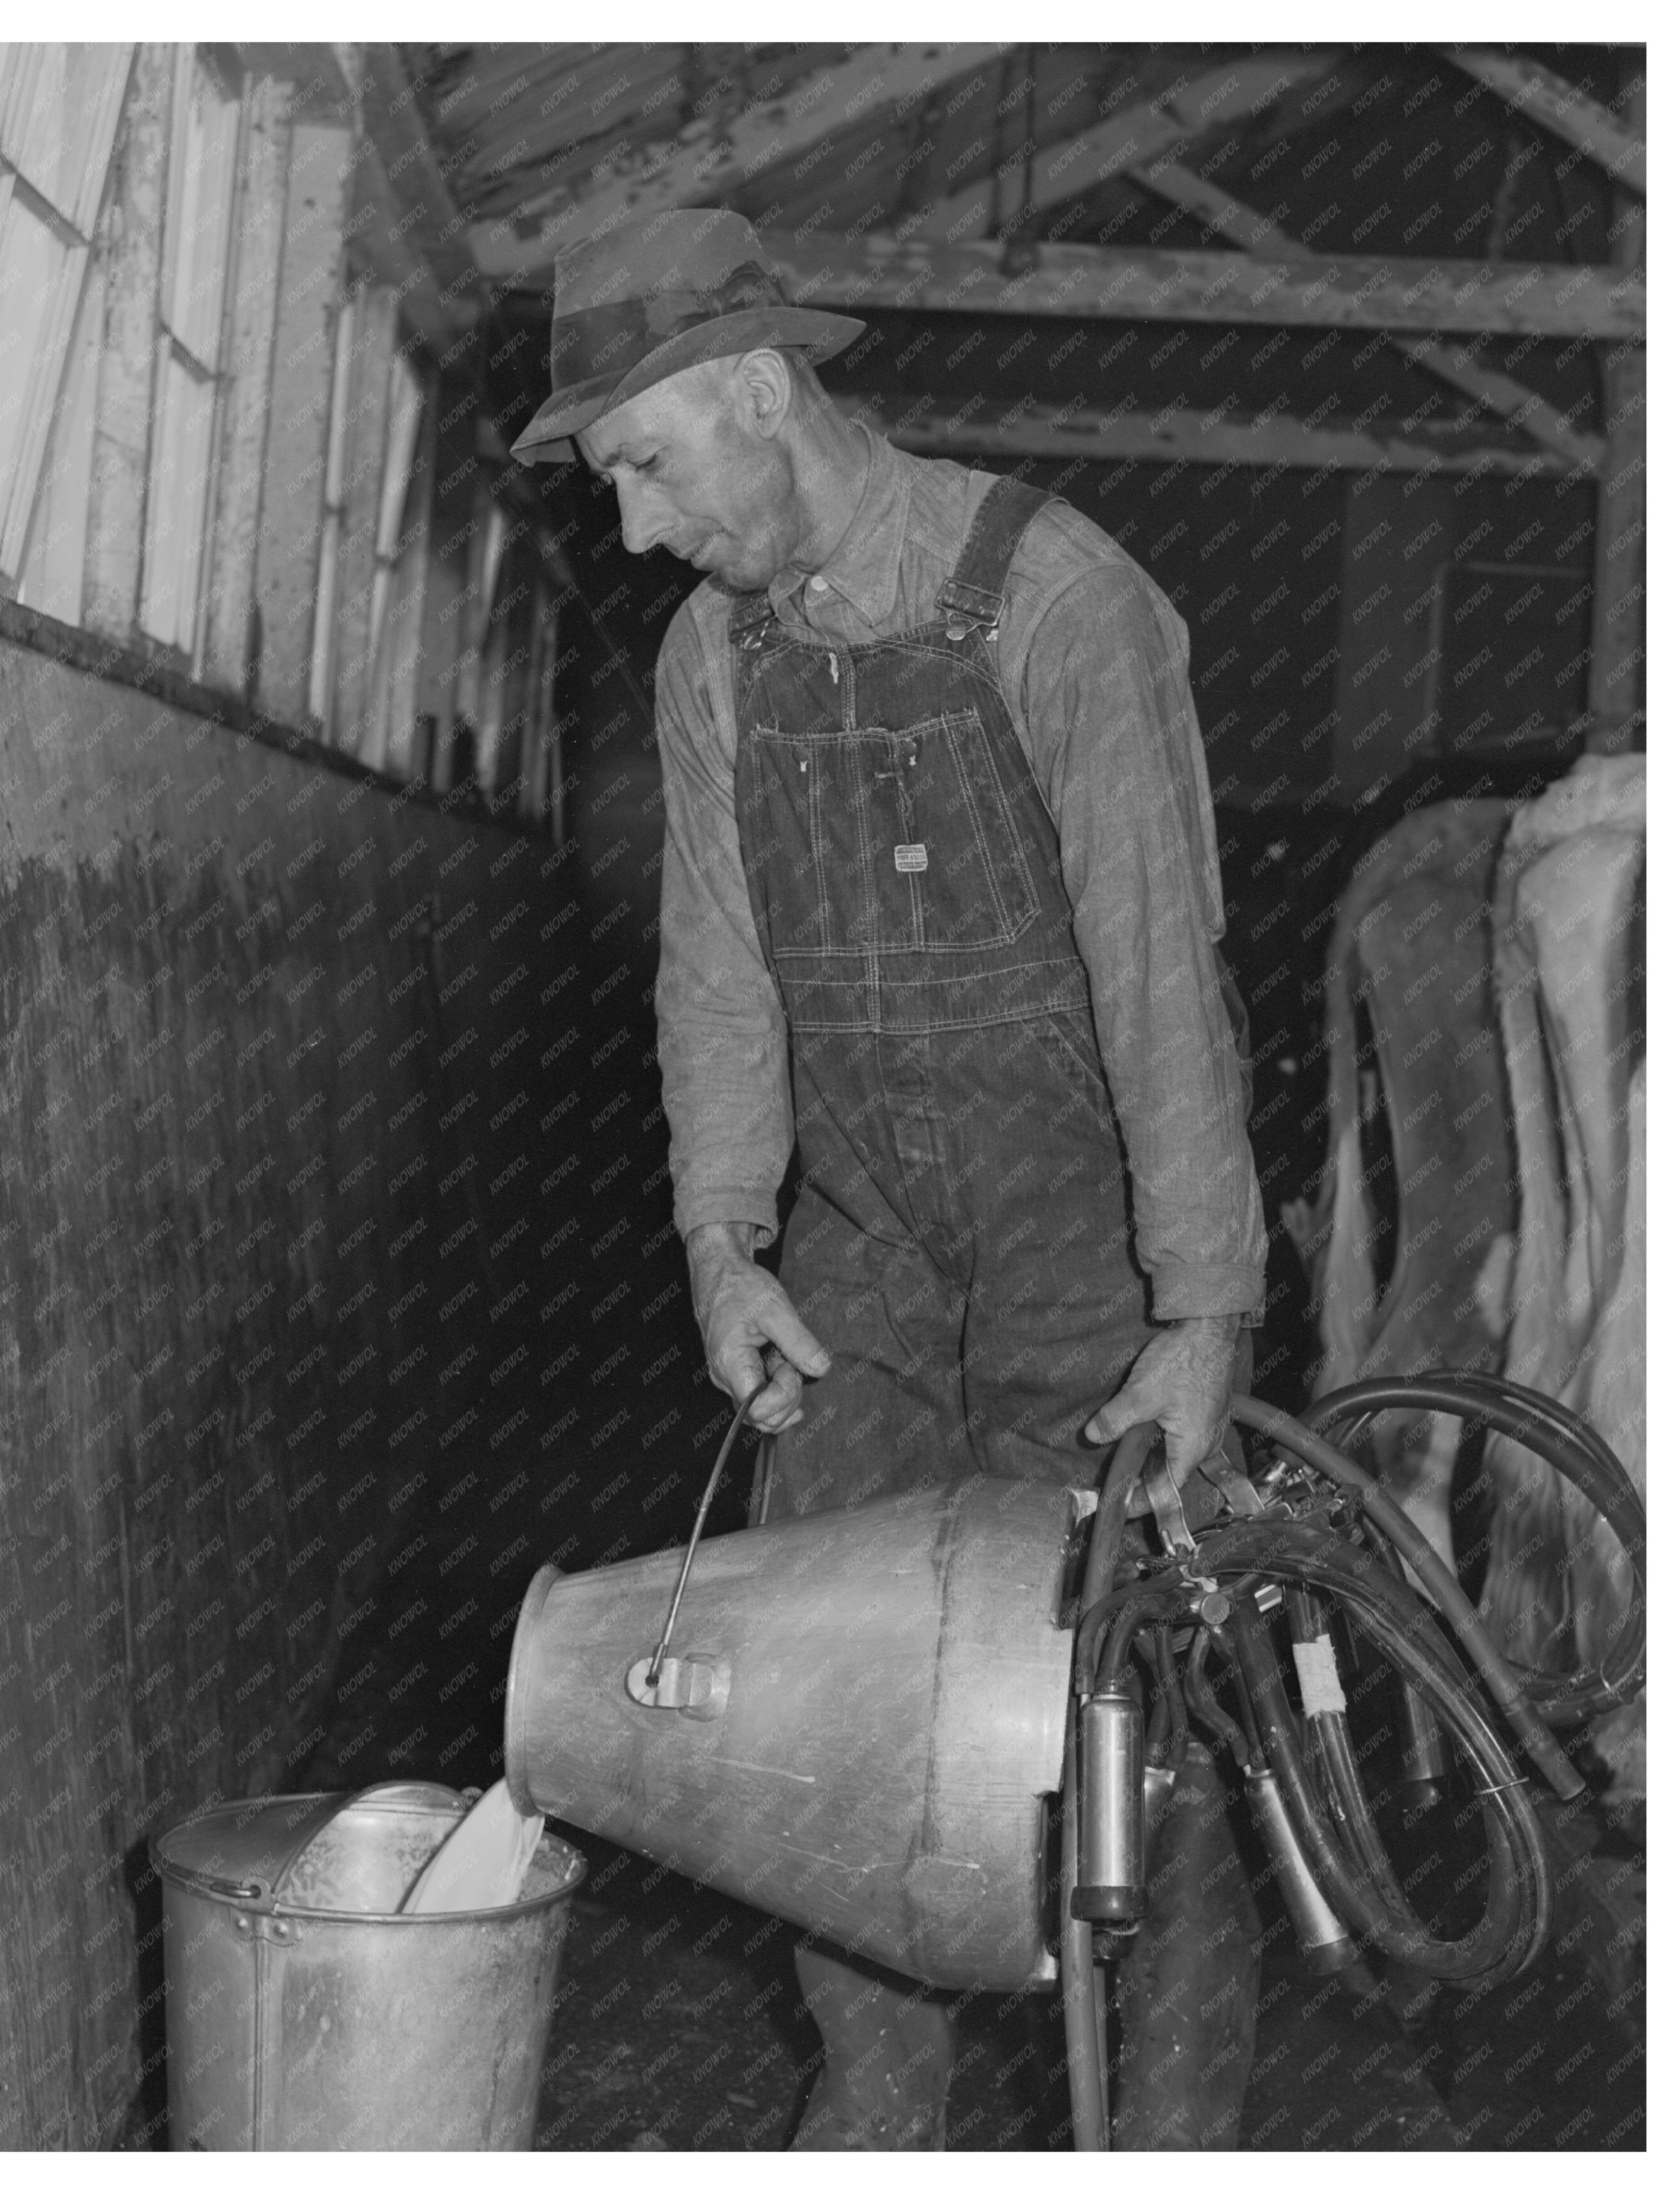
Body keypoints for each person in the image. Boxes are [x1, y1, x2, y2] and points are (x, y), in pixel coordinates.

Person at [513, 208, 1269, 2151]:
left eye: (646, 467)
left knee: (1142, 1735)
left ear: (761, 390)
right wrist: (718, 1239)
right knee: (813, 1728)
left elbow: (1156, 973)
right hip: (856, 1271)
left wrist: (1202, 1313)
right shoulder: (712, 661)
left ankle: (1158, 2151)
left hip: (1085, 1270)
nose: (634, 530)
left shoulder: (1060, 601)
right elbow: (720, 968)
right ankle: (876, 2135)